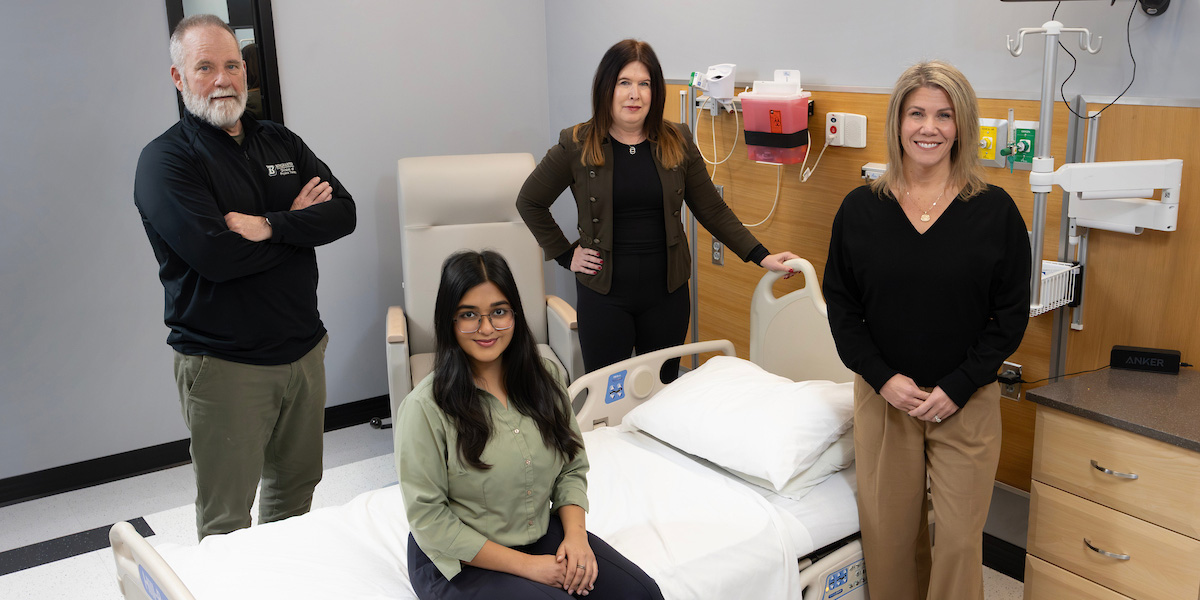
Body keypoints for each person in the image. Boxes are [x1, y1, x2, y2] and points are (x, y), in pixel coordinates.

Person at [134, 14, 356, 540]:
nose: (222, 79)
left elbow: (343, 213)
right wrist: (299, 229)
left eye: (232, 65)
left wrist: (266, 226)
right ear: (178, 77)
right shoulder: (165, 161)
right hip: (224, 365)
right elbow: (217, 258)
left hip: (303, 352)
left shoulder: (279, 140)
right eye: (205, 66)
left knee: (295, 493)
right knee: (228, 518)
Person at [822, 60, 1031, 600]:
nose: (929, 127)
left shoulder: (995, 212)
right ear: (897, 122)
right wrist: (882, 378)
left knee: (959, 542)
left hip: (966, 400)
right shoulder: (860, 210)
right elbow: (842, 310)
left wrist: (960, 385)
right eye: (916, 113)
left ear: (962, 125)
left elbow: (1009, 315)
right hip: (885, 397)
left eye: (944, 114)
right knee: (889, 541)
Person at [516, 39, 798, 381]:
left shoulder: (677, 140)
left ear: (655, 92)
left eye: (644, 84)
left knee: (663, 393)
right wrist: (565, 254)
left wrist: (761, 256)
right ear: (606, 88)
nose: (635, 94)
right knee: (607, 396)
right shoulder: (576, 143)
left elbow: (712, 209)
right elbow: (529, 201)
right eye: (624, 83)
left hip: (667, 295)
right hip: (604, 297)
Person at [396, 250, 663, 600]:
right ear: (449, 321)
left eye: (499, 312)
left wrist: (576, 539)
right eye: (468, 315)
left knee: (641, 594)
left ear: (516, 315)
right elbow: (430, 520)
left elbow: (571, 468)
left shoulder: (546, 379)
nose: (487, 328)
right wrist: (531, 567)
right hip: (457, 559)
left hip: (536, 533)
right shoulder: (425, 408)